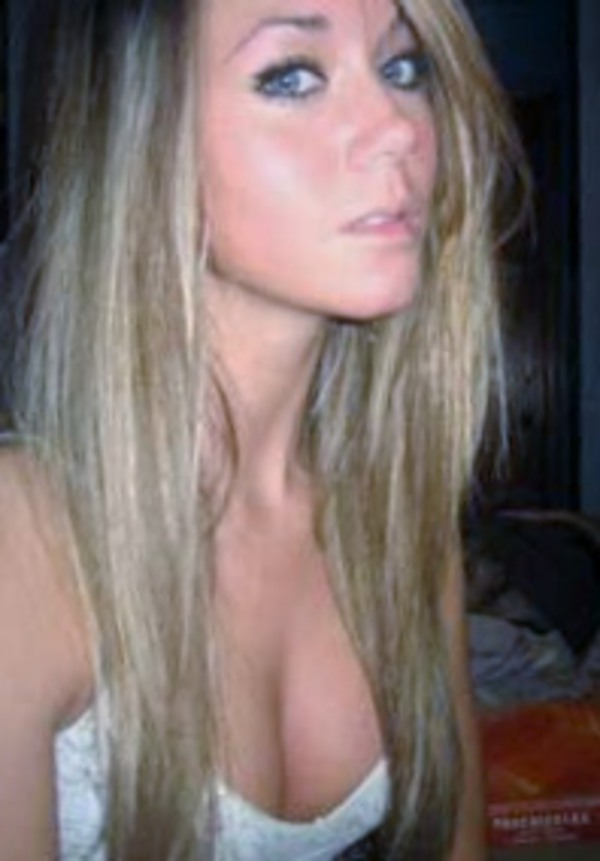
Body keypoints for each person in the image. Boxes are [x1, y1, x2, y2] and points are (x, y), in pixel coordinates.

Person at [0, 0, 526, 857]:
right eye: (291, 77)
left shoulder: (399, 528)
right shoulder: (23, 545)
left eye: (403, 68)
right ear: (147, 143)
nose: (398, 127)